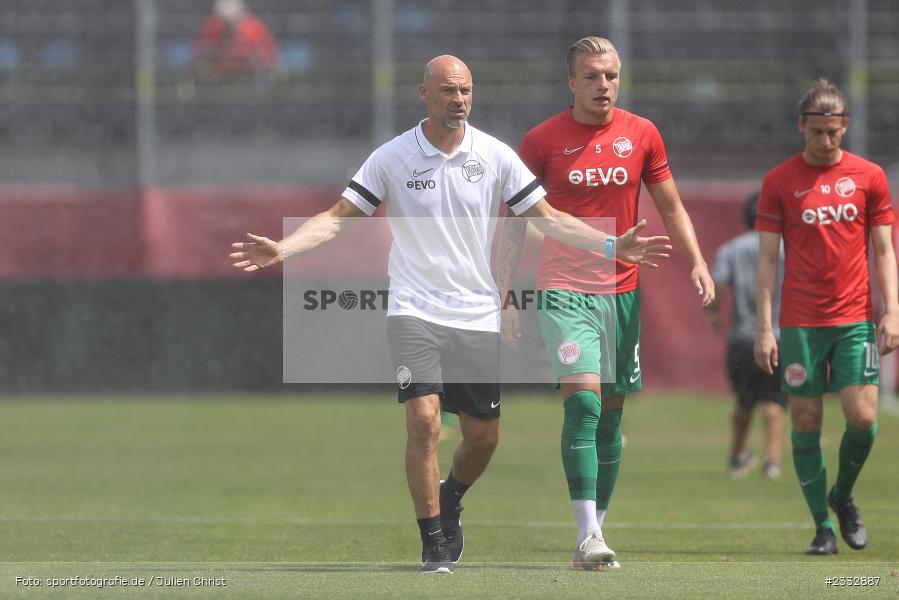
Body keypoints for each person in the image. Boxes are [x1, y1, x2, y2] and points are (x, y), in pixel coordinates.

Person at [230, 55, 671, 573]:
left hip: (475, 314)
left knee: (483, 437)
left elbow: (549, 219)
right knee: (424, 422)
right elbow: (337, 217)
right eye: (448, 90)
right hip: (413, 309)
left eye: (465, 90)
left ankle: (452, 495)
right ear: (425, 94)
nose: (459, 99)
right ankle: (433, 540)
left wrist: (611, 245)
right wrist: (283, 249)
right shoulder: (393, 156)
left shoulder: (496, 156)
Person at [496, 36, 714, 570]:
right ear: (571, 82)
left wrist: (697, 261)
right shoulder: (541, 141)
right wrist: (502, 295)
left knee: (611, 420)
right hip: (564, 291)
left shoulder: (642, 134)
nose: (603, 85)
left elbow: (671, 206)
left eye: (611, 75)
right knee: (584, 405)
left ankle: (596, 529)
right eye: (592, 76)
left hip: (622, 294)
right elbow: (515, 223)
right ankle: (586, 535)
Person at [754, 79, 899, 555]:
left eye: (833, 132)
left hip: (855, 318)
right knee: (806, 419)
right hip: (800, 322)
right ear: (801, 126)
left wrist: (893, 310)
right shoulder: (780, 181)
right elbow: (768, 260)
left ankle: (843, 495)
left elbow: (884, 249)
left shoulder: (869, 176)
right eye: (817, 131)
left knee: (862, 417)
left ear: (845, 126)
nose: (825, 140)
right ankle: (823, 527)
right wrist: (764, 328)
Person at [706, 193, 787, 480]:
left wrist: (713, 313)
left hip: (742, 338)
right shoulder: (786, 248)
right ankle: (773, 461)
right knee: (775, 401)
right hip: (779, 334)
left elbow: (717, 285)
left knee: (744, 401)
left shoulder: (731, 249)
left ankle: (737, 457)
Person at [193, 0, 278, 77]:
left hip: (248, 76)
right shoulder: (211, 29)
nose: (228, 25)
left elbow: (268, 60)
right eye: (225, 21)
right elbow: (198, 57)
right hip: (218, 77)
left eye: (232, 21)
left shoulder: (255, 30)